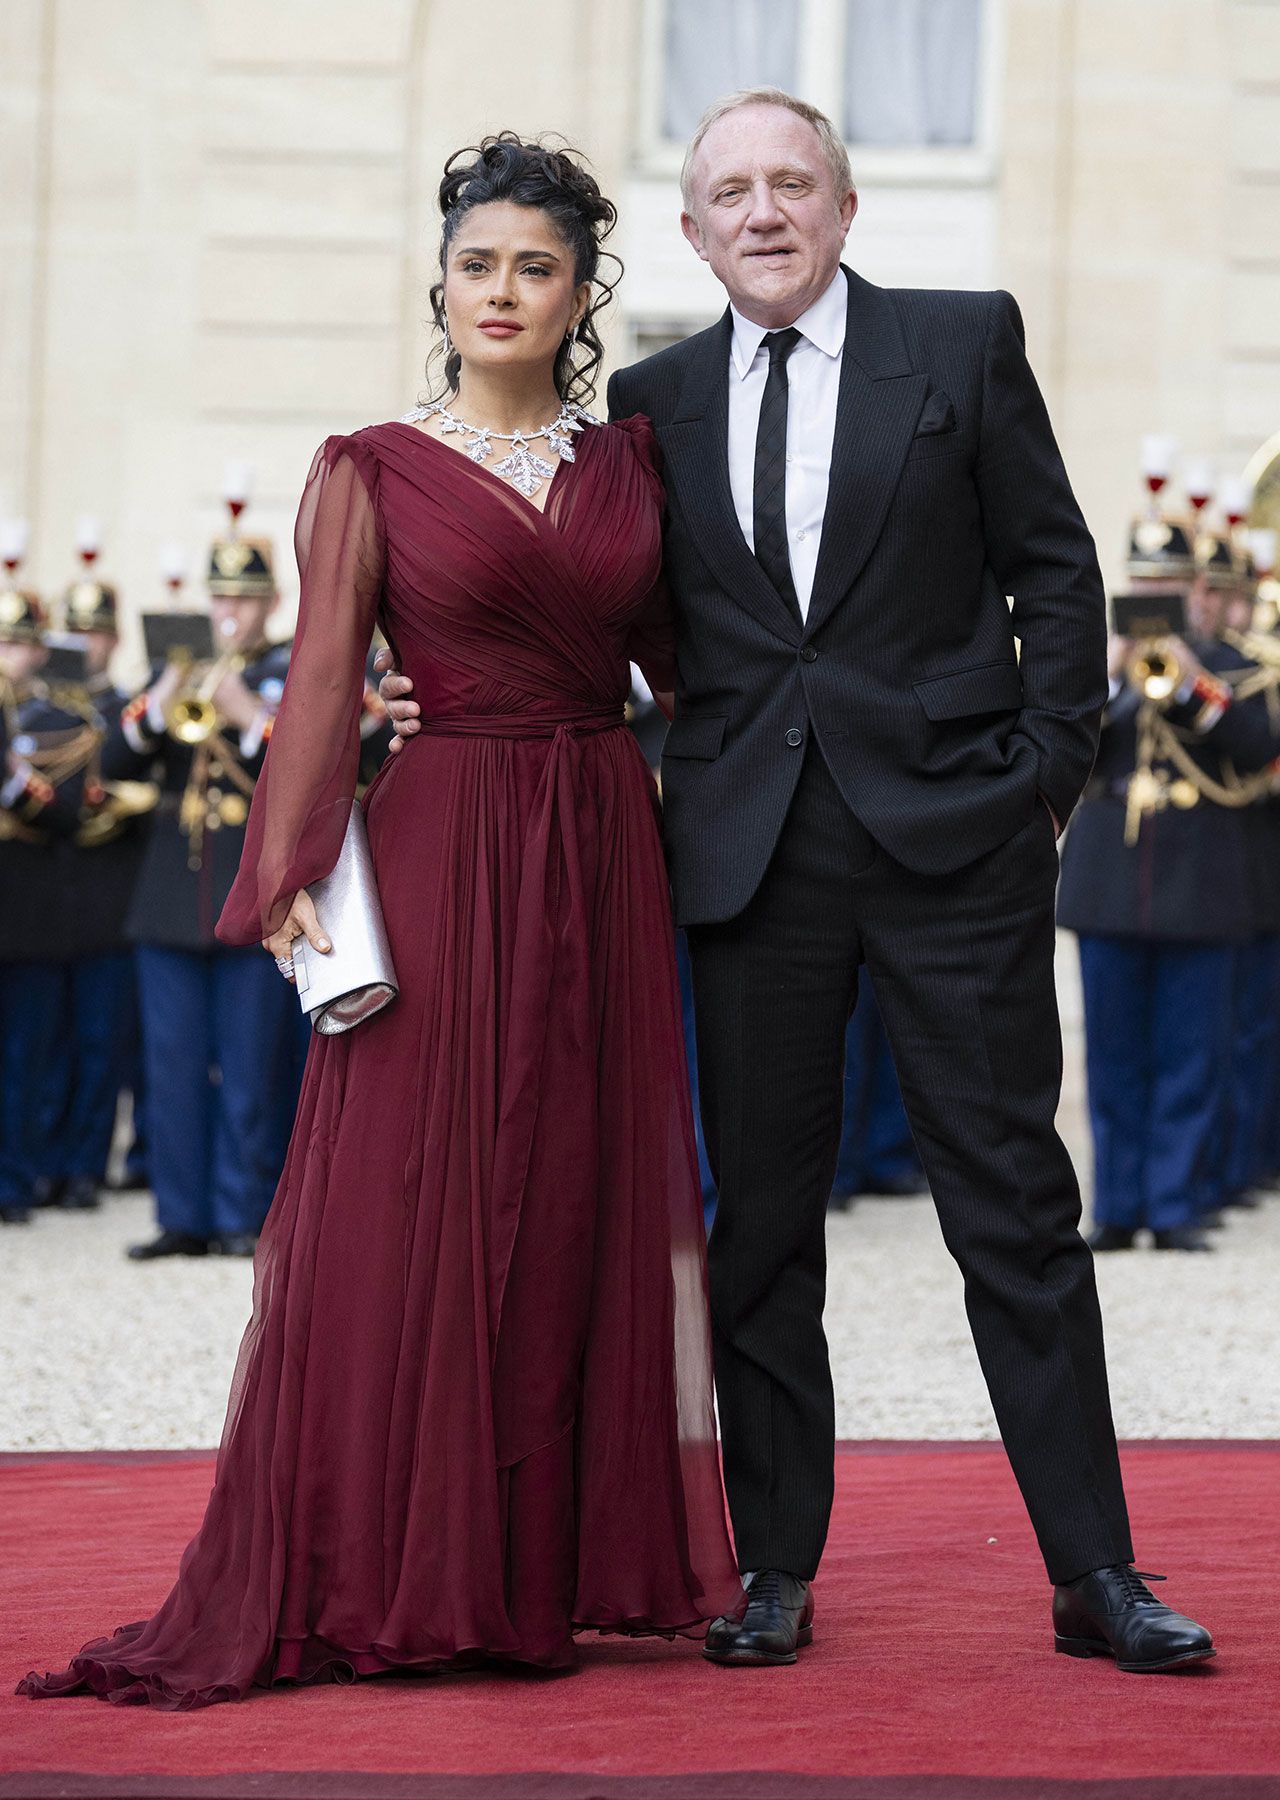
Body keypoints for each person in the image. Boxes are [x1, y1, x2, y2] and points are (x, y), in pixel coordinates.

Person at [382, 89, 1214, 1674]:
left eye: (791, 184)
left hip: (955, 849)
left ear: (840, 206)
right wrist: (434, 685)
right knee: (761, 1230)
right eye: (729, 195)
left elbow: (1058, 568)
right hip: (749, 862)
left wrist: (1041, 781)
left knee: (1016, 1213)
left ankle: (1096, 1573)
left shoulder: (964, 345)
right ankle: (773, 1570)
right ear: (691, 232)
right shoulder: (655, 401)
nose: (762, 213)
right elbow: (592, 609)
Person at [19, 134, 740, 1711]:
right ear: (439, 278)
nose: (504, 291)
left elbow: (692, 672)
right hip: (441, 839)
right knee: (416, 1193)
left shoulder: (632, 467)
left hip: (602, 842)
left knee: (571, 1189)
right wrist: (289, 878)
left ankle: (541, 1567)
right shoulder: (365, 464)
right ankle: (400, 1563)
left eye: (536, 268)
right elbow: (329, 687)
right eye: (478, 263)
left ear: (580, 293)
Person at [1059, 511, 1280, 1251]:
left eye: (1169, 584)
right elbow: (1064, 750)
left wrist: (1191, 683)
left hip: (1202, 876)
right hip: (1111, 878)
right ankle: (1120, 1205)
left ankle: (1177, 1203)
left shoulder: (1235, 669)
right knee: (1113, 1055)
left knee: (1193, 1053)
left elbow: (1257, 751)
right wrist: (1111, 672)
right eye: (1143, 583)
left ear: (1195, 590)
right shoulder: (1096, 664)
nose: (1156, 596)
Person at [99, 525, 303, 1260]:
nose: (230, 613)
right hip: (169, 898)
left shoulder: (288, 671)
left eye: (245, 600)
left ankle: (241, 1212)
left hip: (251, 895)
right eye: (221, 597)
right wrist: (157, 704)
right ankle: (179, 1214)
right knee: (173, 1067)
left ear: (271, 603)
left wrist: (252, 716)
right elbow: (110, 756)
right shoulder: (176, 668)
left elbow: (325, 765)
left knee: (250, 1067)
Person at [35, 575, 153, 1211]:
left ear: (113, 637)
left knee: (101, 1040)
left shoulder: (125, 707)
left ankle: (84, 1165)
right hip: (53, 893)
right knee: (51, 1042)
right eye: (76, 632)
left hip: (110, 892)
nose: (87, 644)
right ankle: (45, 1160)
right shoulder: (41, 707)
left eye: (97, 632)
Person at [1, 591, 91, 1224]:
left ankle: (15, 1179)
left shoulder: (61, 722)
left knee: (26, 1054)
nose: (6, 655)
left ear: (38, 649)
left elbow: (66, 811)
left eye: (15, 642)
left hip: (26, 908)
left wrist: (10, 776)